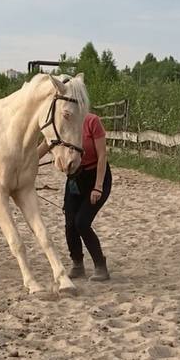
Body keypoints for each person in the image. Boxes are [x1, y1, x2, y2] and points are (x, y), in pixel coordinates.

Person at [63, 110, 112, 281]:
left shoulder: (92, 121)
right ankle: (77, 264)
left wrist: (98, 187)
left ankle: (100, 266)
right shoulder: (65, 124)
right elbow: (46, 145)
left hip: (96, 176)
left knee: (81, 222)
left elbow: (102, 156)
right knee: (70, 224)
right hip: (75, 178)